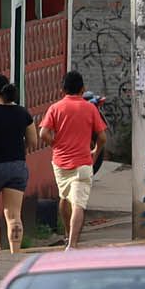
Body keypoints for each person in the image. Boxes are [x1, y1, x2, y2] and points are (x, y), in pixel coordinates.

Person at [39, 71, 106, 250]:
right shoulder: (90, 108)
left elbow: (43, 133)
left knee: (64, 197)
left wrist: (55, 144)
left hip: (60, 163)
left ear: (63, 89)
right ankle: (73, 244)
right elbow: (102, 138)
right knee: (79, 204)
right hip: (83, 163)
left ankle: (67, 235)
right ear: (82, 89)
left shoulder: (55, 108)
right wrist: (95, 153)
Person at [0, 74, 37, 253]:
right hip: (17, 166)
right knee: (13, 215)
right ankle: (15, 252)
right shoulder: (22, 112)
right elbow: (33, 141)